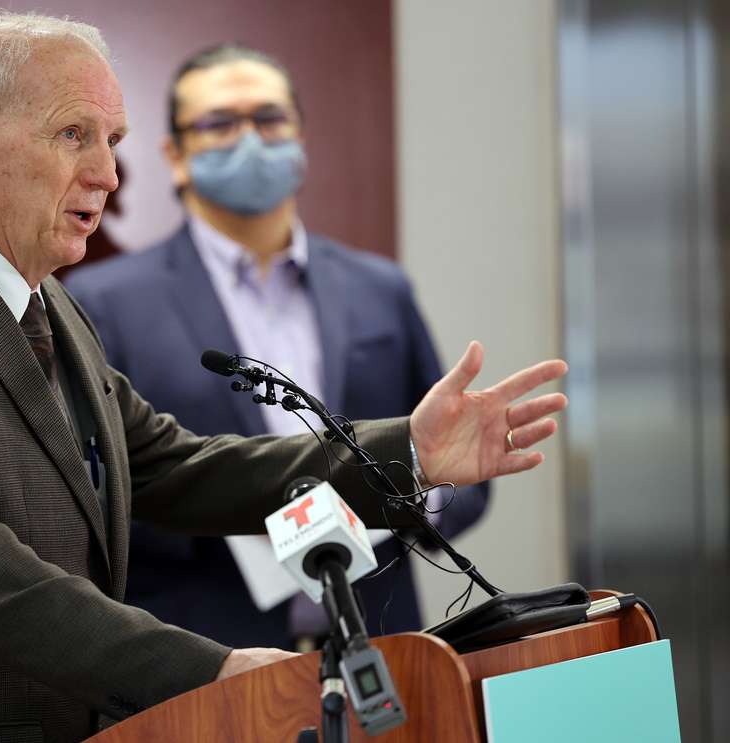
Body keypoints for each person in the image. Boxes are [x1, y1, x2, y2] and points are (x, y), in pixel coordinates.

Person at [0, 12, 567, 743]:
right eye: (73, 135)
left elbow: (177, 467)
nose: (107, 174)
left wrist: (406, 453)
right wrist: (210, 668)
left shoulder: (50, 302)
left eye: (113, 140)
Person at [65, 45, 490, 650]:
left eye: (269, 119)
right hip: (207, 657)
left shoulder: (380, 289)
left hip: (383, 649)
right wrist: (244, 514)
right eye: (220, 123)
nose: (250, 140)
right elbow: (89, 491)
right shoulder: (104, 302)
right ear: (176, 156)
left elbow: (447, 457)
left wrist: (418, 494)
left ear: (300, 138)